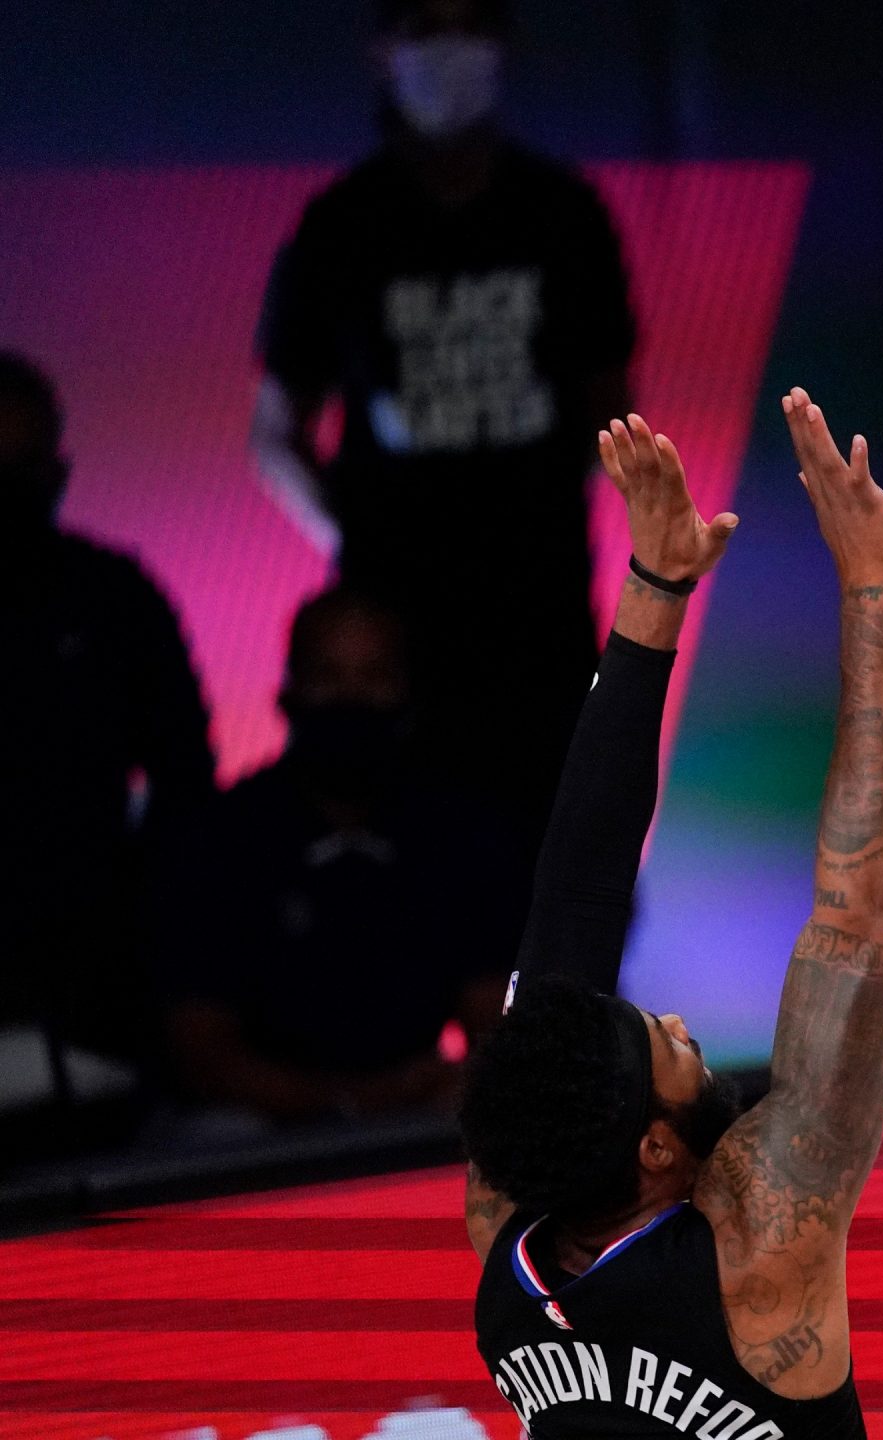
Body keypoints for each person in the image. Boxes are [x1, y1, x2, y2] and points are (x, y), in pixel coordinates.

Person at [458, 397, 883, 1438]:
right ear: (660, 1150)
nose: (684, 1027)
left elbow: (574, 893)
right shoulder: (758, 1247)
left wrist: (654, 591)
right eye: (668, 1045)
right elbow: (859, 910)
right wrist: (871, 586)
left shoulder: (510, 1222)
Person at [254, 0, 637, 860]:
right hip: (391, 641)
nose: (449, 51)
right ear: (384, 52)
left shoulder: (563, 215)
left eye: (469, 25)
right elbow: (274, 435)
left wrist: (543, 518)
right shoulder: (341, 226)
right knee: (393, 873)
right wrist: (360, 543)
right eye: (425, 27)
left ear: (502, 46)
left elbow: (614, 408)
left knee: (559, 866)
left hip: (539, 624)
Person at [159, 588, 522, 1130]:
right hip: (259, 1128)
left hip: (417, 1119)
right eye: (328, 678)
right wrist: (349, 1101)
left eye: (375, 678)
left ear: (408, 695)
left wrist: (452, 1082)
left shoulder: (457, 835)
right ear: (289, 694)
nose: (352, 699)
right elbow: (201, 1053)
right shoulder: (222, 840)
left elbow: (496, 1028)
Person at [0, 351, 214, 1070]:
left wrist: (143, 915)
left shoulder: (114, 598)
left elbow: (186, 779)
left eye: (22, 466)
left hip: (95, 965)